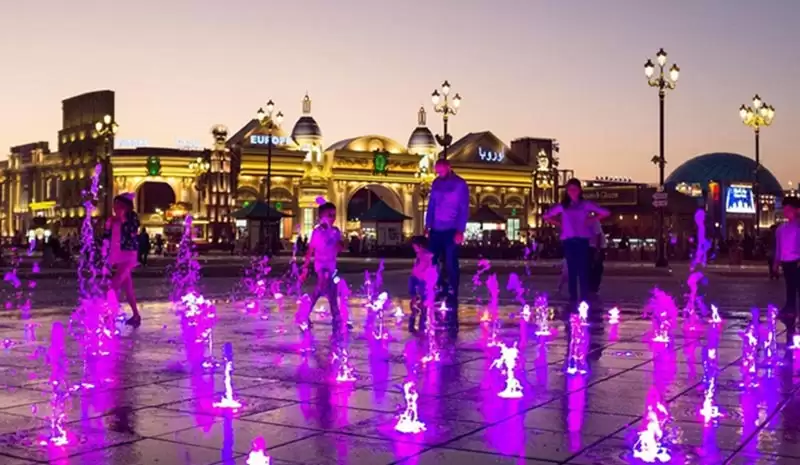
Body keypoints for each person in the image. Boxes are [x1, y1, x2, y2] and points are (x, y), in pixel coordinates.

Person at [543, 178, 610, 307]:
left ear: (580, 190)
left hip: (582, 240)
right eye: (570, 190)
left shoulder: (585, 204)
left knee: (583, 270)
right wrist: (559, 223)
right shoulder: (563, 206)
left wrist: (592, 219)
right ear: (567, 191)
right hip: (569, 240)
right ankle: (573, 297)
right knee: (572, 270)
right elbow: (546, 216)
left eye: (575, 189)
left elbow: (605, 212)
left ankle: (584, 297)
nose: (572, 192)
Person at [425, 158, 470, 337]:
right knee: (432, 259)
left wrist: (460, 229)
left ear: (448, 167)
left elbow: (463, 207)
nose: (438, 173)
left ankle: (453, 290)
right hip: (436, 228)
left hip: (451, 228)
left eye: (441, 170)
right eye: (437, 171)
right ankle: (438, 287)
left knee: (451, 261)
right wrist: (428, 225)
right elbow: (432, 205)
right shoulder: (436, 183)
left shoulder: (460, 185)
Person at [301, 202, 345, 335]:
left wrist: (337, 242)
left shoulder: (335, 231)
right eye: (329, 215)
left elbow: (340, 248)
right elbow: (310, 250)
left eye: (334, 215)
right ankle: (335, 316)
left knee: (330, 291)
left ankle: (309, 313)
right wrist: (305, 267)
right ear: (321, 216)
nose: (332, 218)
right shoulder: (317, 232)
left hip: (332, 266)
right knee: (324, 283)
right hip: (321, 265)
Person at [105, 193, 141, 327]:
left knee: (114, 284)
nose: (115, 207)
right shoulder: (112, 219)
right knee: (128, 288)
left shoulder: (131, 217)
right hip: (117, 255)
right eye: (114, 205)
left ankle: (110, 316)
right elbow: (107, 237)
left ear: (125, 206)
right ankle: (136, 316)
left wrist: (123, 219)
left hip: (128, 255)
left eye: (118, 205)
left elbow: (133, 230)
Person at [774, 197, 800, 337]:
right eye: (785, 209)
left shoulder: (798, 227)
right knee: (790, 286)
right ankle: (789, 307)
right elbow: (779, 248)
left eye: (789, 209)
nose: (786, 212)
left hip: (797, 261)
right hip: (786, 261)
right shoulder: (781, 230)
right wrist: (776, 262)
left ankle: (793, 308)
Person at [408, 235, 434, 333]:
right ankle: (418, 326)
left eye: (414, 246)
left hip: (422, 282)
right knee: (417, 306)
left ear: (421, 246)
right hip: (418, 282)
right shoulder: (421, 255)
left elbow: (422, 270)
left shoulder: (426, 256)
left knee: (420, 306)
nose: (413, 248)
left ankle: (420, 327)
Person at [588, 215, 607, 295]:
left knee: (596, 267)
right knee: (591, 268)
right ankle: (592, 287)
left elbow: (598, 235)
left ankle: (594, 287)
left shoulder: (592, 220)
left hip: (597, 247)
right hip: (591, 246)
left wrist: (597, 250)